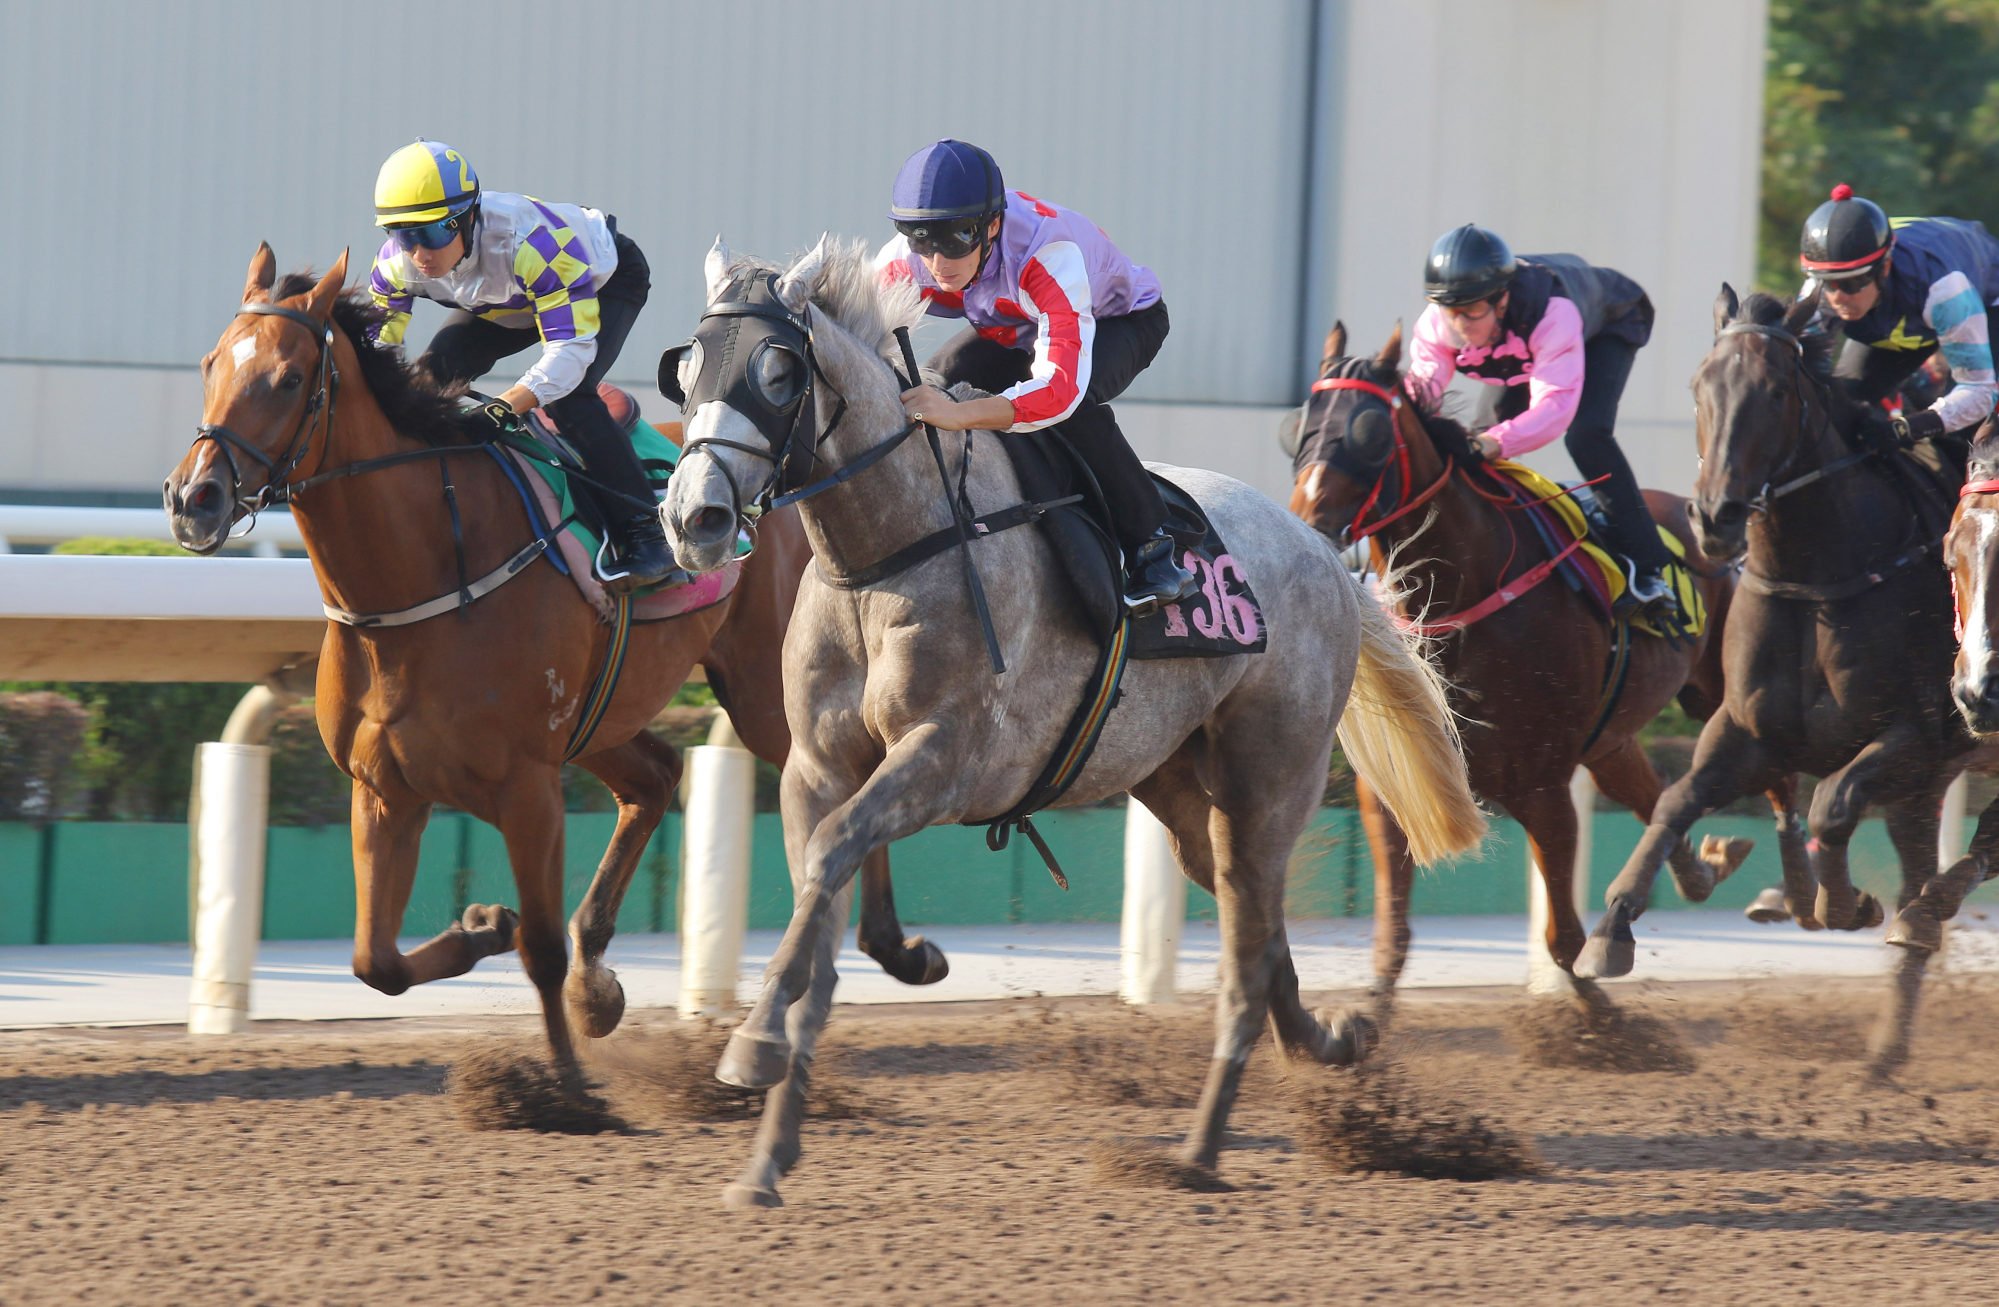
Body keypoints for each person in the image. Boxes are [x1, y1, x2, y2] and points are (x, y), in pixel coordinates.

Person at [877, 139, 1196, 615]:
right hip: (1016, 324)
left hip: (1121, 322)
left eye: (956, 240)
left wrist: (962, 415)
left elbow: (1057, 391)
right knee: (939, 379)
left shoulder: (1049, 253)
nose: (938, 263)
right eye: (921, 239)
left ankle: (1151, 545)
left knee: (1073, 408)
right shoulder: (904, 260)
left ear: (992, 225)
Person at [366, 140, 672, 593]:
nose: (418, 254)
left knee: (569, 398)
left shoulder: (532, 245)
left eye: (430, 234)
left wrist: (505, 406)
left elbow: (569, 355)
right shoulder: (393, 267)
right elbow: (377, 359)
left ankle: (645, 532)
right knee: (428, 381)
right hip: (508, 297)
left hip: (600, 279)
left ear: (466, 217)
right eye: (403, 235)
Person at [1406, 224, 1673, 612]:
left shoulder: (1553, 314)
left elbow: (1554, 409)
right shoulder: (1439, 321)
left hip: (1607, 325)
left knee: (1586, 435)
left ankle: (1649, 569)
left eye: (1471, 311)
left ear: (1501, 300)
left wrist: (1492, 443)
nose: (1460, 325)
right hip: (1521, 345)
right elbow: (1422, 390)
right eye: (1451, 313)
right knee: (1477, 441)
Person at [1798, 183, 1999, 451]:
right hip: (1911, 305)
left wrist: (1909, 427)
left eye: (1851, 284)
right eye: (1829, 284)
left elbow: (1980, 391)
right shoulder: (1817, 291)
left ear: (1885, 268)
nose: (1838, 298)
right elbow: (1800, 368)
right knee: (1848, 402)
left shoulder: (1946, 290)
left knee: (1965, 437)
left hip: (1986, 298)